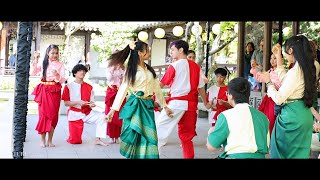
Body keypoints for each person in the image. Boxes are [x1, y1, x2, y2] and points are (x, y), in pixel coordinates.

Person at [105, 41, 173, 159]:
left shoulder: (150, 70)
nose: (150, 52)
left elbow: (157, 89)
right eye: (148, 50)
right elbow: (123, 90)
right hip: (135, 105)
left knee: (150, 136)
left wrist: (165, 106)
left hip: (147, 106)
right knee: (135, 135)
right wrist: (112, 111)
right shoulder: (131, 70)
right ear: (140, 53)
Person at [256, 35, 316, 158]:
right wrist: (278, 57)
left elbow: (279, 98)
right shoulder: (307, 67)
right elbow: (286, 82)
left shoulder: (296, 71)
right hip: (303, 113)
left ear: (291, 50)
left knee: (282, 153)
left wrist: (268, 82)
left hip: (292, 117)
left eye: (285, 52)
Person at [156, 40, 209, 159]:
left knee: (157, 131)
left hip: (176, 104)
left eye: (173, 50)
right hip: (191, 106)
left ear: (180, 50)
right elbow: (201, 87)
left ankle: (152, 156)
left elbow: (161, 85)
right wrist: (205, 103)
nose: (171, 52)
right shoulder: (195, 66)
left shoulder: (174, 65)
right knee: (186, 138)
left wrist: (152, 96)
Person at [206, 77, 270, 159]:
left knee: (211, 130)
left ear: (231, 96)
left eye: (227, 93)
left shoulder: (225, 116)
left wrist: (210, 132)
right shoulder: (263, 117)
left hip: (234, 157)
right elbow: (266, 145)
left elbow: (211, 147)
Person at [61, 64, 108, 146]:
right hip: (74, 114)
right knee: (76, 141)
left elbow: (91, 102)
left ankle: (98, 139)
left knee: (103, 117)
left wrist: (91, 105)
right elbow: (66, 103)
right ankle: (72, 136)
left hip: (87, 113)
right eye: (79, 71)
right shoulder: (68, 86)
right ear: (75, 73)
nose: (82, 72)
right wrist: (77, 102)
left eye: (84, 71)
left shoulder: (89, 87)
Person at [31, 44, 67, 147]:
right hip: (44, 91)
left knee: (53, 116)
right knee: (43, 115)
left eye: (56, 53)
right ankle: (42, 140)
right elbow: (33, 72)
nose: (55, 55)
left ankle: (50, 141)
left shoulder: (60, 64)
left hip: (55, 91)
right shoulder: (43, 63)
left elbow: (63, 79)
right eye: (53, 53)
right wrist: (35, 59)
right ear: (48, 53)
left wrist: (57, 75)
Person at [258, 50, 282, 135]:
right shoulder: (269, 71)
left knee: (272, 120)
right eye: (271, 58)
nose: (272, 60)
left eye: (275, 58)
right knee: (264, 118)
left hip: (276, 98)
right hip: (268, 99)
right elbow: (259, 79)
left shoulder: (282, 72)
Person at [105, 55, 126, 144]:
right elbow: (109, 78)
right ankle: (111, 136)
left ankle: (117, 136)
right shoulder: (110, 67)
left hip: (120, 91)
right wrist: (113, 70)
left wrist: (122, 77)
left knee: (119, 114)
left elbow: (126, 80)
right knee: (110, 113)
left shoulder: (124, 68)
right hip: (111, 90)